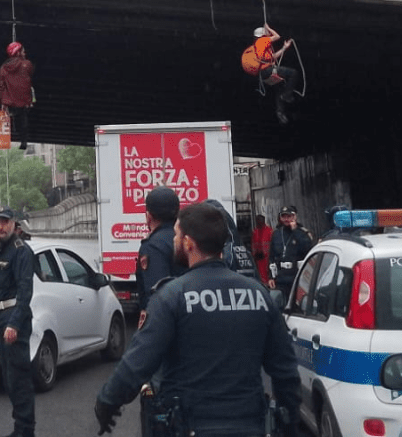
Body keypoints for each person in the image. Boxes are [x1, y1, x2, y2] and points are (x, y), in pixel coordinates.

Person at [94, 203, 301, 437]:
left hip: (191, 426)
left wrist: (108, 403)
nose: (173, 241)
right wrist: (290, 420)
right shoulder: (259, 294)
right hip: (249, 425)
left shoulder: (172, 297)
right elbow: (285, 370)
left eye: (176, 235)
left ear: (189, 243)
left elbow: (137, 363)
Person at [0, 207, 35, 437]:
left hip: (14, 319)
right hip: (2, 319)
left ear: (13, 224)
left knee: (19, 379)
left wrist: (15, 324)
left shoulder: (20, 251)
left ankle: (26, 431)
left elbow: (25, 291)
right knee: (9, 379)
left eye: (4, 222)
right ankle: (19, 428)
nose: (0, 227)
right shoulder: (0, 250)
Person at [137, 187, 181, 328]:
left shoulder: (153, 246)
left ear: (148, 216)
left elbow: (157, 295)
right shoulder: (188, 239)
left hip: (168, 327)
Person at [242, 24, 301, 125]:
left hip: (262, 75)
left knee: (279, 88)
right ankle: (286, 96)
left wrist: (284, 48)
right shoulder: (262, 41)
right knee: (293, 73)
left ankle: (280, 111)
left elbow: (273, 57)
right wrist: (268, 28)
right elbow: (277, 36)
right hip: (268, 71)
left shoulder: (257, 48)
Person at [267, 204, 313, 303]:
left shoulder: (302, 232)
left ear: (294, 217)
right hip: (281, 277)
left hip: (297, 277)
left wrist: (295, 230)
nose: (286, 219)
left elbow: (307, 249)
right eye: (284, 216)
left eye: (289, 216)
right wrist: (271, 277)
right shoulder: (277, 234)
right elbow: (272, 256)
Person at [0, 41, 35, 151]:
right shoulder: (27, 64)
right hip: (24, 101)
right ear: (18, 52)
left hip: (10, 101)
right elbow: (30, 76)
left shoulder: (3, 68)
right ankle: (23, 140)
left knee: (13, 118)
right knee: (23, 120)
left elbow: (1, 85)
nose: (25, 52)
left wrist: (3, 101)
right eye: (22, 51)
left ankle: (12, 134)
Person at [251, 214, 273, 286]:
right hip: (259, 257)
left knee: (267, 271)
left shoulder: (269, 231)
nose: (259, 223)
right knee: (260, 272)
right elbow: (253, 243)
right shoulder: (255, 231)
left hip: (267, 256)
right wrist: (254, 254)